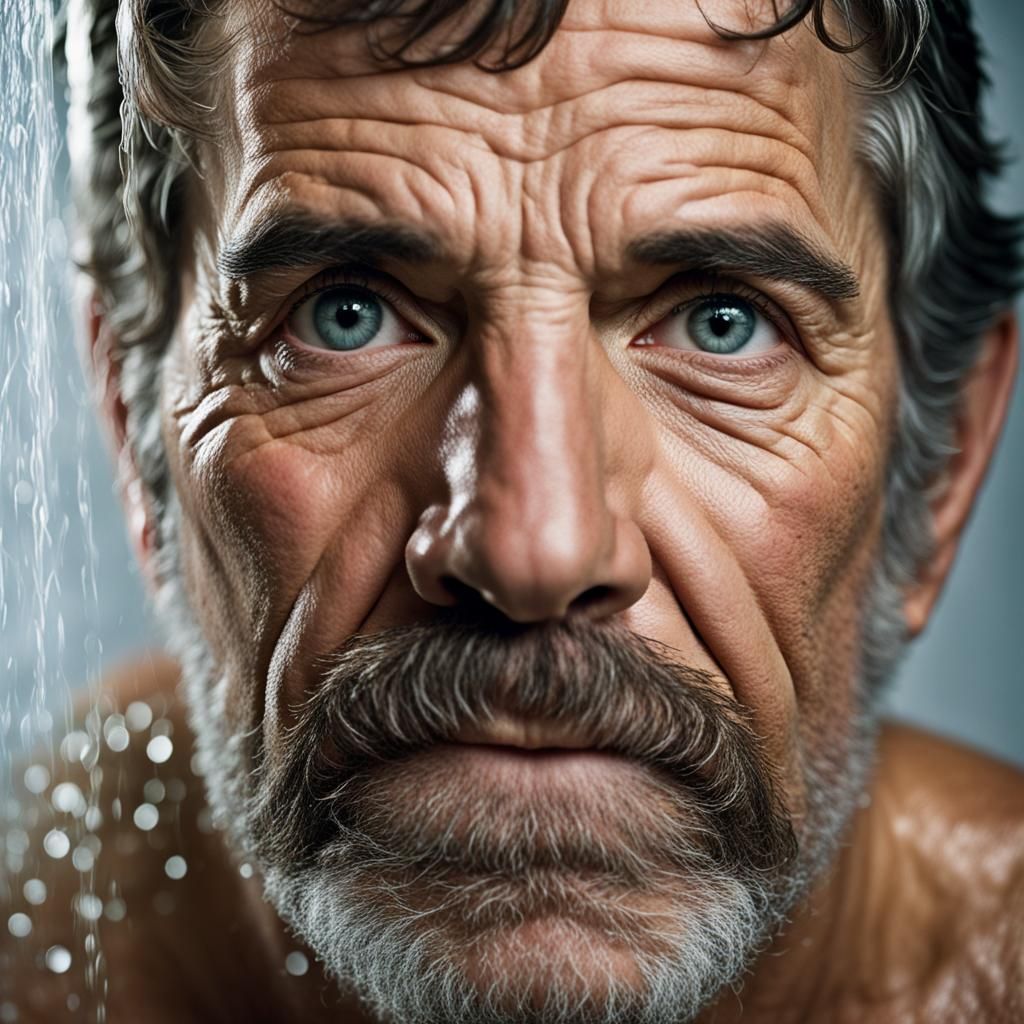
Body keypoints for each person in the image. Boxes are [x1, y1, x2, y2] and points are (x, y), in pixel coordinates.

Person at [2, 0, 1022, 1020]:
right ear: (139, 433)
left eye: (723, 323)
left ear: (937, 471)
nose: (532, 550)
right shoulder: (42, 935)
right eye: (342, 316)